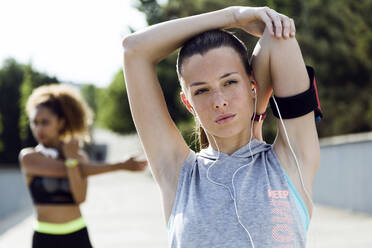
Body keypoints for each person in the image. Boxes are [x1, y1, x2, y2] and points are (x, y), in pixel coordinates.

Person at [122, 6, 321, 247]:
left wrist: (255, 115)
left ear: (252, 85)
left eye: (230, 82)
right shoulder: (179, 174)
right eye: (202, 90)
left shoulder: (290, 159)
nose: (219, 102)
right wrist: (234, 17)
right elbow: (134, 50)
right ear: (188, 103)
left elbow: (277, 38)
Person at [19, 84, 147, 248]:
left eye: (45, 122)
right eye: (34, 122)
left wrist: (72, 159)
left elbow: (80, 198)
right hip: (44, 237)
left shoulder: (79, 157)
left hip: (77, 235)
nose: (38, 129)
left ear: (61, 122)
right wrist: (121, 165)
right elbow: (66, 170)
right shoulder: (29, 157)